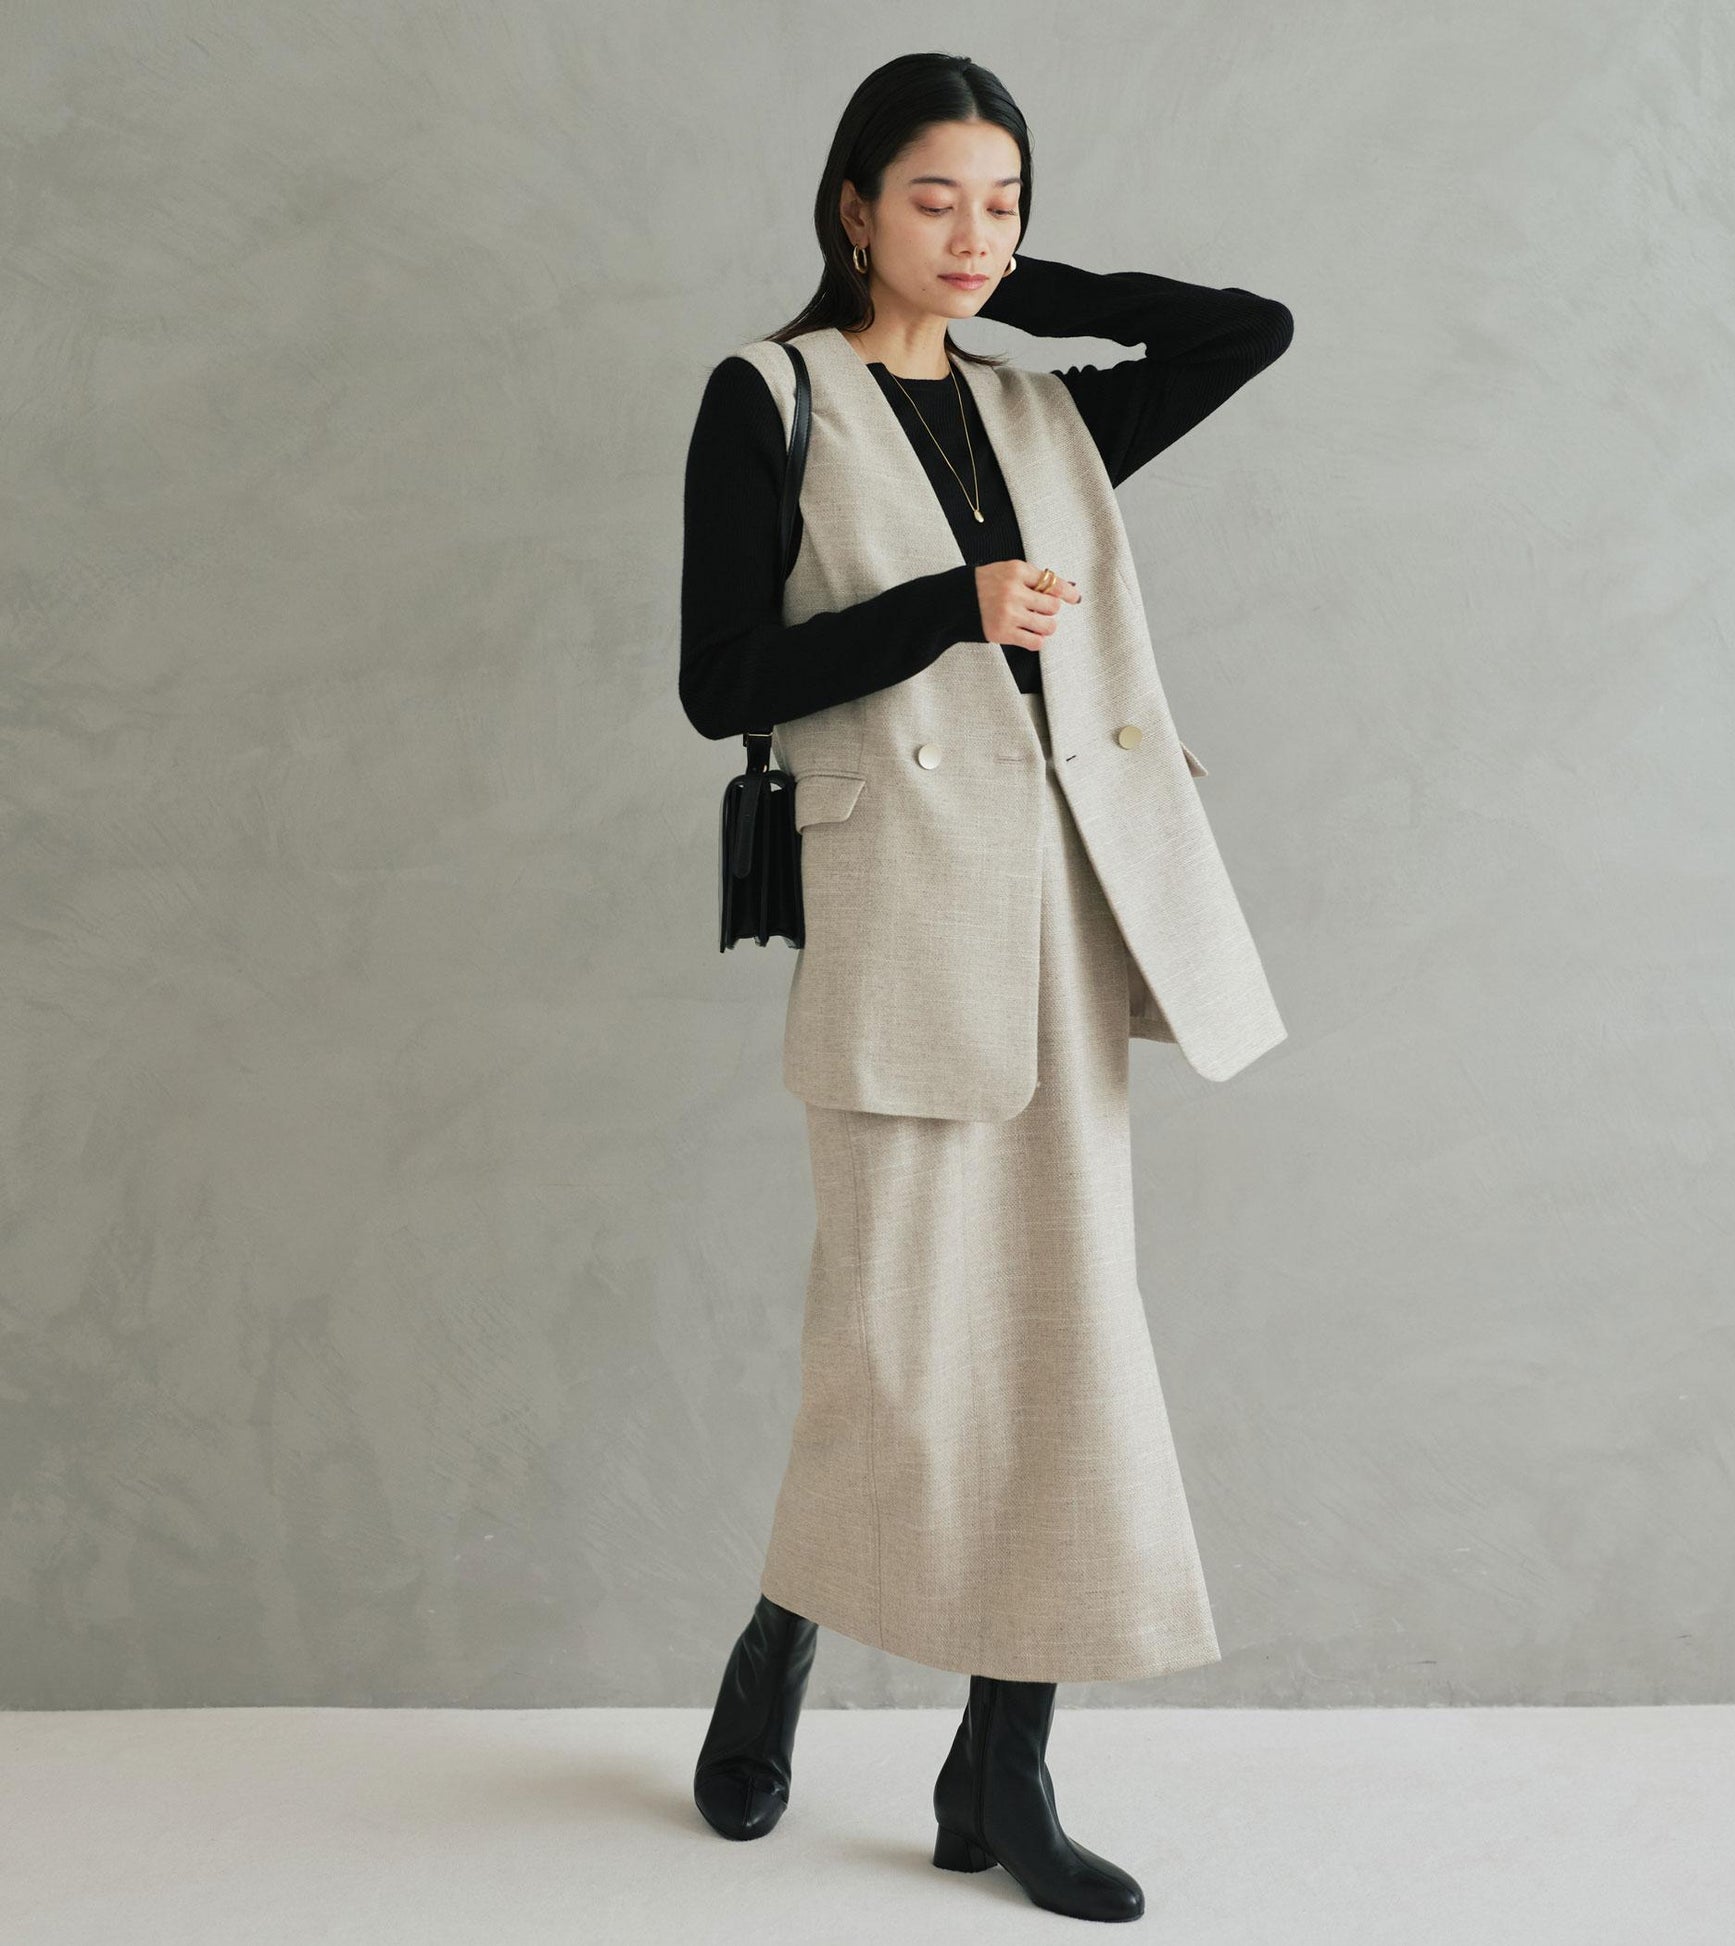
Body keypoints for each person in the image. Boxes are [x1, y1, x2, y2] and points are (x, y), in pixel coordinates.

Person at [679, 52, 1291, 1924]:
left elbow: (1246, 328)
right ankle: (781, 1635)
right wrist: (949, 606)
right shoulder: (770, 395)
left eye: (1002, 201)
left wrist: (1026, 286)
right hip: (899, 912)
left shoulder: (1044, 410)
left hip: (1066, 909)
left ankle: (999, 1759)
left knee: (1061, 1330)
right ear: (850, 203)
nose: (970, 233)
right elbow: (720, 682)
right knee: (889, 1336)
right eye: (933, 197)